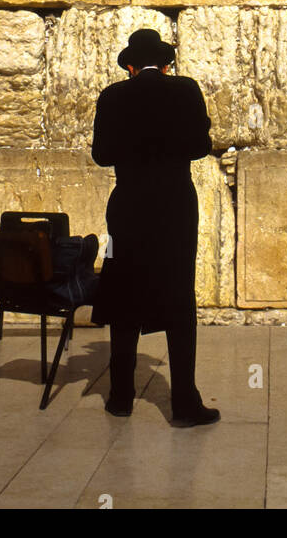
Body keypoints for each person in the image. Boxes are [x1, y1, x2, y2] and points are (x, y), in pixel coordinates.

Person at [91, 27, 220, 427]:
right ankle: (184, 400)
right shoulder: (186, 90)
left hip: (128, 206)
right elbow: (200, 147)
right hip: (174, 206)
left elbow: (101, 155)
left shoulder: (113, 96)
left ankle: (119, 396)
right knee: (179, 294)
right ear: (165, 63)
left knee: (125, 290)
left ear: (130, 65)